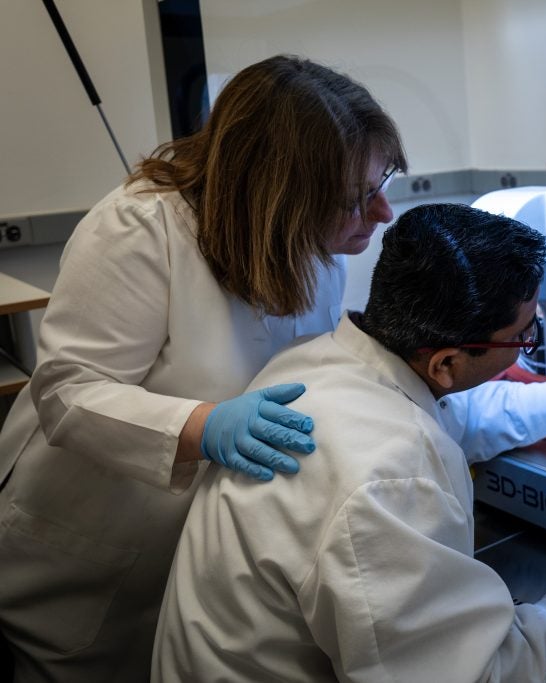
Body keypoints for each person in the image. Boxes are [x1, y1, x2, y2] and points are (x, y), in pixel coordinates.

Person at [153, 203, 546, 682]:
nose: (529, 343)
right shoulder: (389, 479)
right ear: (446, 362)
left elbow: (454, 414)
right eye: (523, 336)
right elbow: (485, 675)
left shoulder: (320, 361)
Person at [0, 55, 407, 682]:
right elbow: (67, 392)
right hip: (88, 550)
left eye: (382, 183)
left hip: (199, 555)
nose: (382, 213)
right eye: (356, 198)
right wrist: (203, 426)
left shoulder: (313, 244)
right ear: (279, 193)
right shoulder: (142, 226)